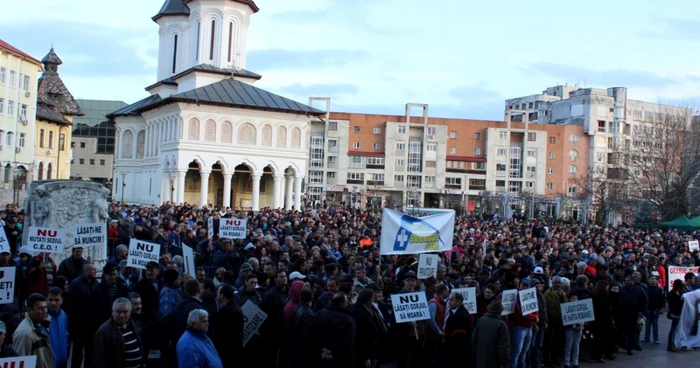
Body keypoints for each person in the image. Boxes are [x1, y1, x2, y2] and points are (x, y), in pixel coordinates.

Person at [93, 298, 144, 368]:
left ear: (130, 312)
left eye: (125, 312)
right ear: (112, 312)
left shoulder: (133, 326)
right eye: (118, 312)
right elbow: (99, 360)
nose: (122, 315)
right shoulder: (104, 331)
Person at [315, 291, 356, 368]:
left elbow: (313, 334)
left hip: (321, 357)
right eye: (346, 302)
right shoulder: (347, 319)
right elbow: (348, 342)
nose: (347, 304)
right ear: (341, 303)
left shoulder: (319, 314)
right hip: (341, 360)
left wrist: (322, 350)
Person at [12, 293, 54, 368]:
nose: (45, 311)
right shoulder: (24, 333)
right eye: (40, 308)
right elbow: (19, 362)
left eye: (45, 307)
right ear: (29, 310)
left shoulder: (43, 324)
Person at [211, 284, 244, 367]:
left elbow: (228, 335)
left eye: (218, 293)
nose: (217, 295)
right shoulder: (230, 308)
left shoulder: (232, 312)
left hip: (229, 353)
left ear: (222, 295)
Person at [472, 300, 510, 368]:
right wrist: (504, 363)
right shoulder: (501, 324)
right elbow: (504, 346)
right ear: (500, 312)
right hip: (494, 362)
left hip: (480, 360)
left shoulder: (480, 321)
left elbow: (474, 340)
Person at [444, 291, 472, 368]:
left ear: (459, 302)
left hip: (459, 350)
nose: (449, 302)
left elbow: (459, 335)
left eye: (451, 300)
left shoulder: (461, 315)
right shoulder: (453, 311)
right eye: (449, 299)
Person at [48, 287, 69, 368]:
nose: (53, 303)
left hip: (63, 359)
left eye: (56, 300)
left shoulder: (64, 315)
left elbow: (66, 336)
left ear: (62, 300)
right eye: (50, 300)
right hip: (50, 361)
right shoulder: (43, 317)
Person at [563, 294, 583, 368]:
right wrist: (573, 326)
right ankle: (566, 362)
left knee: (576, 347)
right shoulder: (566, 307)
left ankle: (575, 362)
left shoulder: (580, 307)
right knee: (568, 347)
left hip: (579, 330)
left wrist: (581, 326)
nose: (574, 300)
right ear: (569, 299)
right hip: (570, 330)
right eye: (572, 298)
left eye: (576, 298)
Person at [667, 279, 684, 352]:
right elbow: (673, 305)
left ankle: (672, 344)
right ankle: (670, 345)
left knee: (674, 329)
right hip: (675, 313)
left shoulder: (678, 292)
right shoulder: (672, 293)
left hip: (677, 313)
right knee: (673, 330)